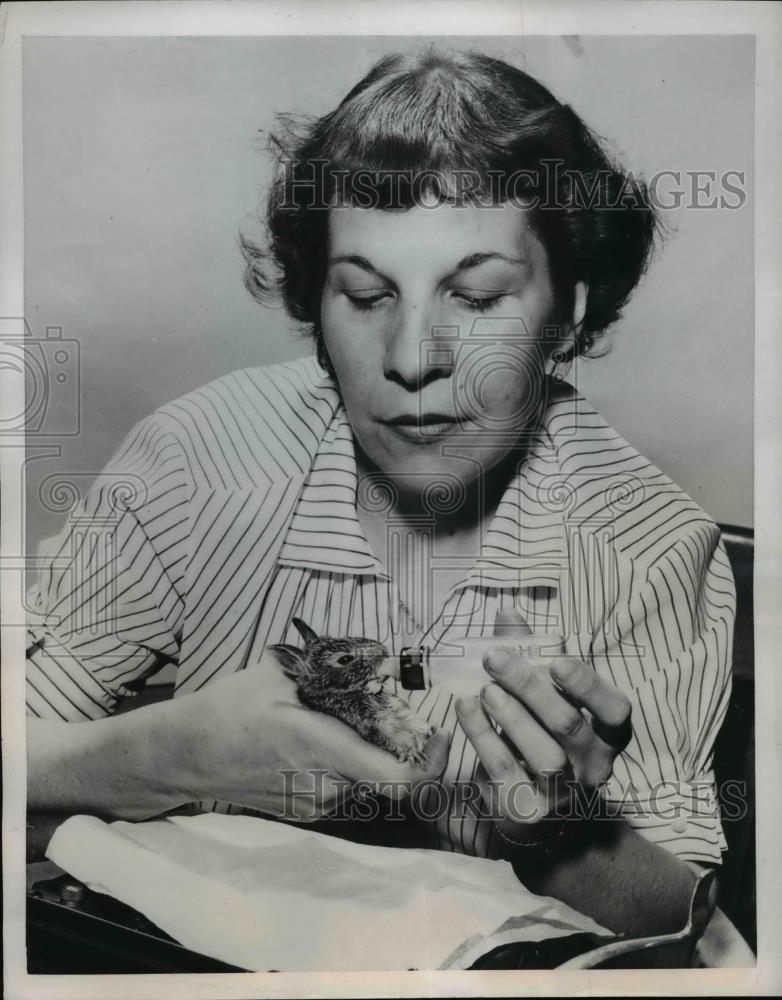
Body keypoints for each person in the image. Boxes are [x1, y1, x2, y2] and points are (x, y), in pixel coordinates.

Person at [26, 49, 734, 939]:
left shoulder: (655, 546)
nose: (410, 358)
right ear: (316, 303)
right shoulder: (193, 461)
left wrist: (556, 835)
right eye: (365, 295)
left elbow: (685, 928)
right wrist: (162, 756)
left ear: (570, 312)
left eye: (476, 298)